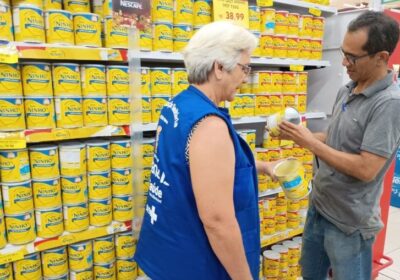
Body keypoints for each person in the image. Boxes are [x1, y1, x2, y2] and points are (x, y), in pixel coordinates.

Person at [134, 21, 276, 280]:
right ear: (219, 67)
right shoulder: (209, 125)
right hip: (195, 265)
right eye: (244, 68)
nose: (246, 77)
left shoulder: (177, 104)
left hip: (167, 254)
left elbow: (196, 167)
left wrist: (265, 167)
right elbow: (217, 222)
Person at [279, 11, 400, 280]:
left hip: (349, 225)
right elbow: (335, 139)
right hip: (319, 207)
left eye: (352, 57)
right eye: (344, 53)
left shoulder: (389, 103)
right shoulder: (347, 90)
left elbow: (367, 168)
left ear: (381, 57)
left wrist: (311, 143)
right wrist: (299, 134)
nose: (344, 62)